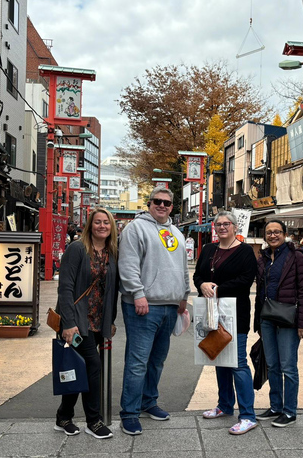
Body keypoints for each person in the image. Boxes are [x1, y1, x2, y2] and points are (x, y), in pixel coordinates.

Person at [117, 187, 189, 436]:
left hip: (170, 306)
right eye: (157, 201)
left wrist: (184, 295)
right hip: (144, 305)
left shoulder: (175, 231)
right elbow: (127, 264)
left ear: (172, 207)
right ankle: (129, 412)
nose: (162, 205)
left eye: (167, 203)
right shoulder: (135, 228)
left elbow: (183, 268)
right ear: (149, 203)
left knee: (157, 361)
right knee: (137, 362)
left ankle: (149, 402)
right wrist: (137, 293)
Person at [54, 208, 119, 439]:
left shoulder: (112, 252)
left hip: (99, 320)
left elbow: (112, 290)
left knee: (77, 368)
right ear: (90, 225)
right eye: (98, 222)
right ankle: (94, 420)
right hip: (78, 319)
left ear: (111, 227)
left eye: (106, 223)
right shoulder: (77, 249)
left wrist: (110, 321)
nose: (102, 226)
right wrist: (69, 324)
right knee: (93, 366)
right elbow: (65, 288)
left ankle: (63, 416)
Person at [194, 211, 259, 435]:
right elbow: (197, 276)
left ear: (234, 227)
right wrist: (202, 284)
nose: (222, 227)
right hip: (211, 314)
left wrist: (217, 289)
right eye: (218, 224)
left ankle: (248, 415)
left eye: (226, 224)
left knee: (238, 362)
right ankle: (224, 405)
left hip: (235, 313)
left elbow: (245, 280)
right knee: (219, 358)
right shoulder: (208, 250)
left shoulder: (245, 252)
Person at [253, 220, 303, 427]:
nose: (273, 235)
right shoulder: (263, 258)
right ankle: (276, 406)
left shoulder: (296, 257)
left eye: (277, 232)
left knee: (288, 366)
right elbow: (260, 290)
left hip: (288, 319)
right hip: (267, 318)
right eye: (269, 232)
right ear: (264, 236)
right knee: (272, 365)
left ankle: (290, 411)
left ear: (285, 234)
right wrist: (258, 320)